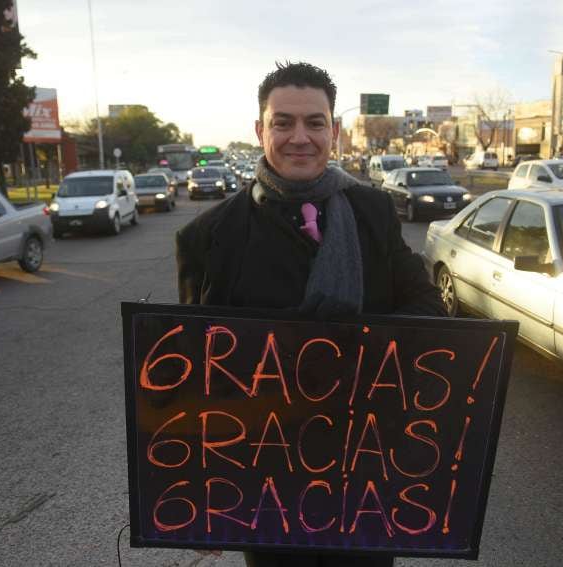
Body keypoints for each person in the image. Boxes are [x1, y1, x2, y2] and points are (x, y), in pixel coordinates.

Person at [176, 61, 446, 567]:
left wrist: (356, 350)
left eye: (314, 122)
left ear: (334, 131)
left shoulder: (374, 212)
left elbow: (428, 307)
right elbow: (196, 375)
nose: (299, 137)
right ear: (261, 131)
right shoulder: (209, 236)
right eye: (283, 122)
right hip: (266, 481)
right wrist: (202, 499)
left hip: (365, 472)